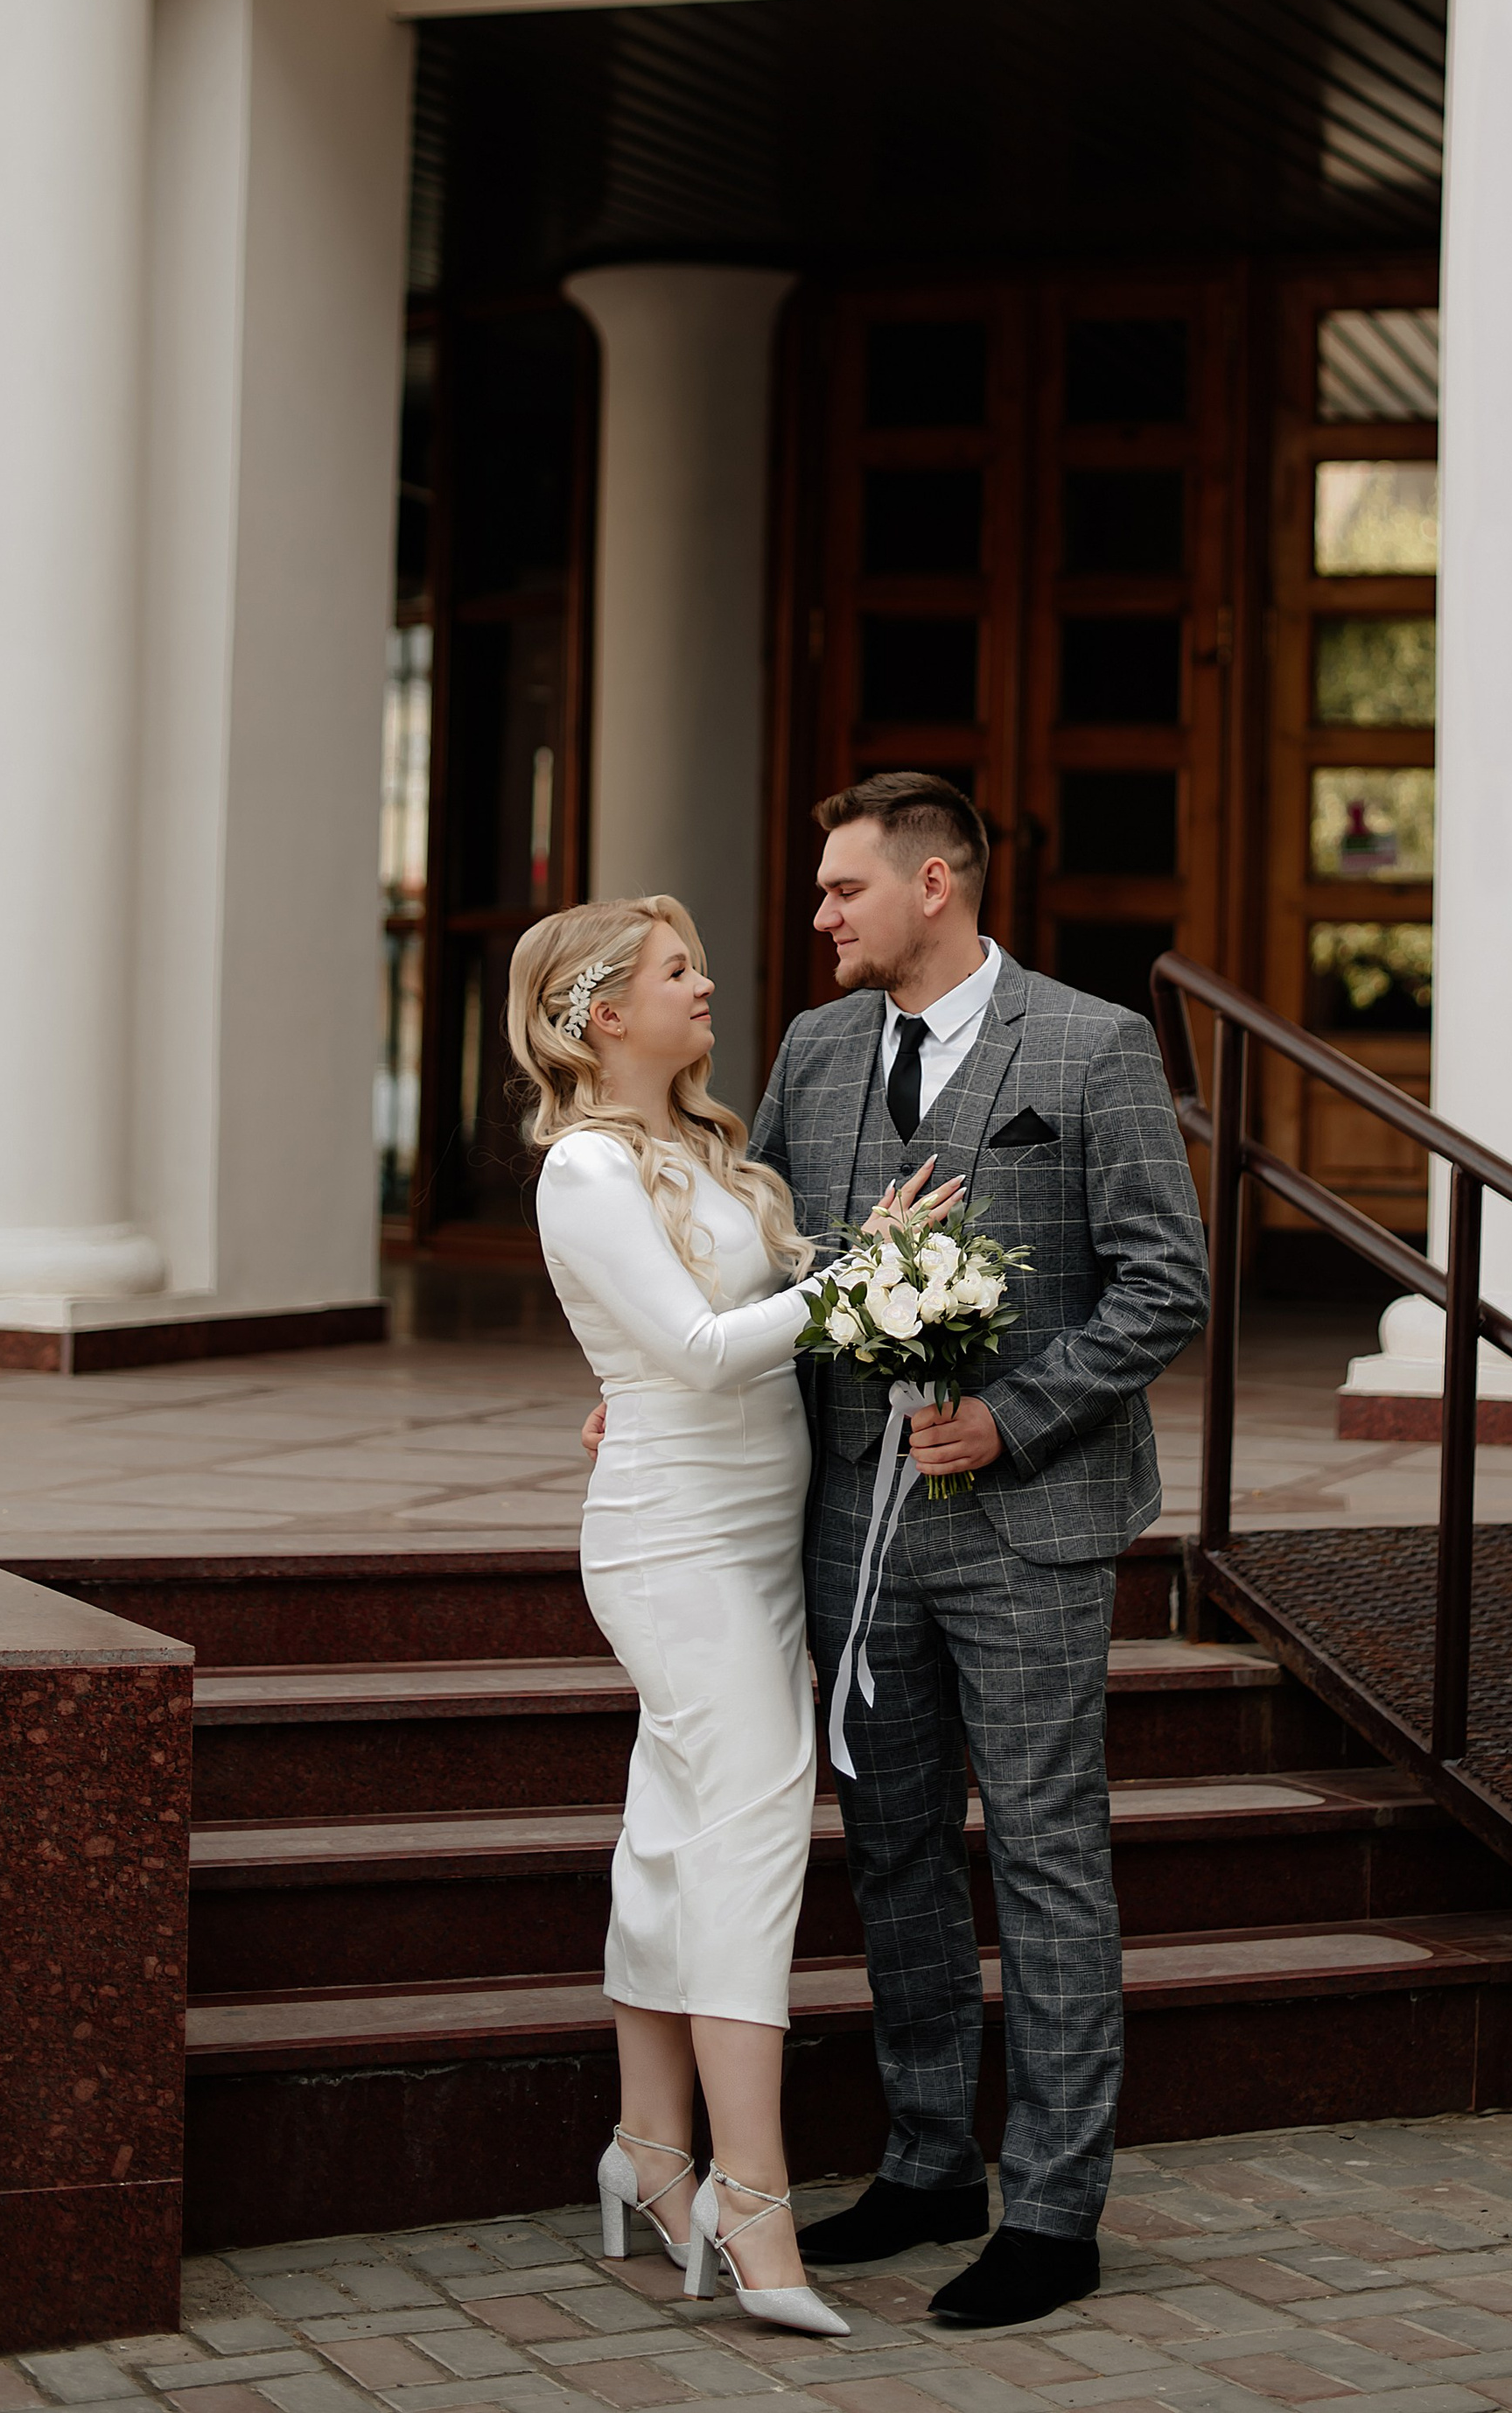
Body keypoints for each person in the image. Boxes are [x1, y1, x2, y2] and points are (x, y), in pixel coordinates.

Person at [753, 772, 1210, 2330]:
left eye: (842, 890)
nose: (819, 915)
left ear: (934, 883)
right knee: (888, 1849)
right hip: (851, 1535)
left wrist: (1012, 1418)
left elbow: (1165, 1288)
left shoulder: (1093, 1046)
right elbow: (760, 1259)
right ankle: (932, 2160)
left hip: (1029, 1528)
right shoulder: (815, 1052)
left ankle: (1059, 2211)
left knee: (1045, 1851)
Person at [509, 894, 958, 2339]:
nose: (708, 988)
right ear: (599, 1014)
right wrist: (865, 1278)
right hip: (676, 1545)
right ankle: (750, 2201)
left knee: (673, 1826)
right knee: (756, 1838)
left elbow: (722, 1343)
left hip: (756, 1544)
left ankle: (650, 2153)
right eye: (677, 971)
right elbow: (703, 1355)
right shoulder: (583, 1168)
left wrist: (852, 1287)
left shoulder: (699, 1152)